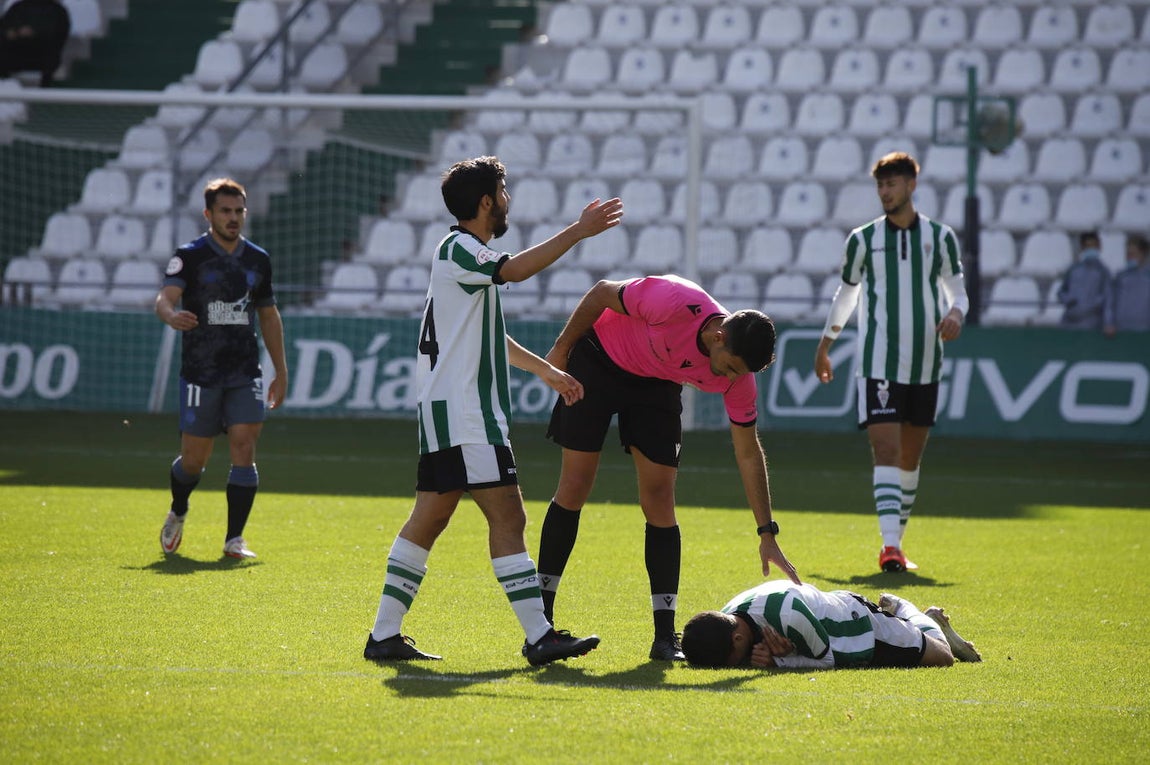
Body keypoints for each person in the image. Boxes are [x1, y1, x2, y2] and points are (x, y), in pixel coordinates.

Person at [364, 155, 624, 665]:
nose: (507, 201)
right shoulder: (462, 249)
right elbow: (517, 270)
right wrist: (577, 231)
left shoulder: (460, 256)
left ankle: (384, 635)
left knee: (431, 517)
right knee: (507, 512)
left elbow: (485, 335)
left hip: (449, 409)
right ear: (487, 202)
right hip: (466, 413)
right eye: (503, 193)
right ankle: (538, 636)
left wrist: (544, 370)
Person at [536, 274, 800, 662]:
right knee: (575, 484)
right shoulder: (673, 300)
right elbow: (601, 293)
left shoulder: (738, 379)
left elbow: (747, 452)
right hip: (598, 361)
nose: (730, 378)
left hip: (656, 383)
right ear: (719, 337)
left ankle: (664, 638)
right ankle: (541, 625)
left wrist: (767, 532)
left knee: (660, 499)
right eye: (730, 368)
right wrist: (561, 351)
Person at [814, 152, 968, 574]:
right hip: (878, 361)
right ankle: (889, 546)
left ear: (910, 186)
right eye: (880, 185)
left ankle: (896, 542)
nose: (885, 192)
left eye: (892, 184)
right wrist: (826, 343)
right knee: (886, 448)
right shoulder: (862, 239)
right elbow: (846, 295)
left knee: (910, 459)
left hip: (926, 364)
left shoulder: (940, 238)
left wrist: (956, 314)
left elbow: (960, 293)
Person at [155, 178, 288, 560]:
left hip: (245, 370)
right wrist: (170, 315)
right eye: (226, 211)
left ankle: (234, 540)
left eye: (239, 211)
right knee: (194, 461)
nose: (233, 218)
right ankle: (179, 510)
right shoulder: (191, 255)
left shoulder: (258, 259)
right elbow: (165, 299)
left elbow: (268, 314)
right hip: (201, 371)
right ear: (208, 214)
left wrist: (280, 369)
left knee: (244, 447)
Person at [681, 579, 981, 669]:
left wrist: (780, 663)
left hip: (857, 625)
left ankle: (912, 613)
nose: (739, 665)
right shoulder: (728, 617)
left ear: (736, 639)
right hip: (824, 616)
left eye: (734, 661)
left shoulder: (787, 615)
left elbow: (827, 658)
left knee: (942, 657)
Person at [0, 0, 70, 87]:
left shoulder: (57, 10)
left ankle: (44, 90)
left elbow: (58, 34)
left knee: (50, 58)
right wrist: (14, 32)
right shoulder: (18, 7)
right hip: (15, 51)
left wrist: (33, 33)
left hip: (42, 55)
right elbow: (5, 28)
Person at [1057, 231, 1112, 331]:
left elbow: (1107, 299)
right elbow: (1061, 292)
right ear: (1082, 248)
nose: (1090, 249)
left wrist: (1108, 323)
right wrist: (1068, 299)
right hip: (1069, 322)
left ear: (1099, 247)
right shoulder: (1073, 269)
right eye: (1087, 246)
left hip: (1092, 323)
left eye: (1093, 246)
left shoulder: (1103, 272)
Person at [1104, 233, 1150, 336]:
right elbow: (1110, 302)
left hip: (1145, 332)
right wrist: (1109, 323)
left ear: (1143, 254)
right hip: (1121, 331)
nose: (1129, 257)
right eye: (1127, 254)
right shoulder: (1120, 277)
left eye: (1133, 254)